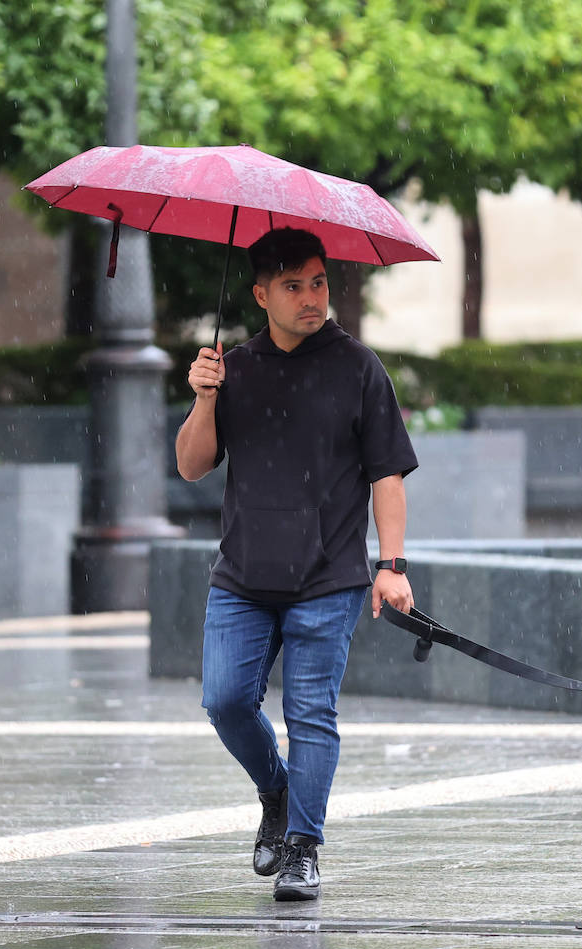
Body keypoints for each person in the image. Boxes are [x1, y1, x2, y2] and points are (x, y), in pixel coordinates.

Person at [174, 227, 418, 901]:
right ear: (259, 294)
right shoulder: (235, 369)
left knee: (312, 712)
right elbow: (191, 465)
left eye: (318, 282)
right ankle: (276, 792)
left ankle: (303, 847)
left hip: (328, 576)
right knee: (224, 699)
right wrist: (204, 396)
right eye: (293, 286)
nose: (311, 298)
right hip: (243, 577)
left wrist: (391, 564)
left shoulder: (358, 367)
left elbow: (388, 474)